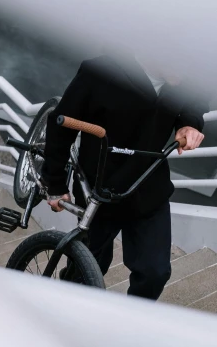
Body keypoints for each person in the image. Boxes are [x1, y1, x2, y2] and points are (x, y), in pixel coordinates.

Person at [40, 51, 207, 300]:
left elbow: (196, 99)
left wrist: (191, 122)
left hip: (148, 188)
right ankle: (68, 303)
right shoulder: (100, 72)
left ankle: (130, 322)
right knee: (89, 270)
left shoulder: (180, 78)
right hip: (99, 190)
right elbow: (60, 125)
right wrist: (54, 183)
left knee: (155, 273)